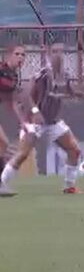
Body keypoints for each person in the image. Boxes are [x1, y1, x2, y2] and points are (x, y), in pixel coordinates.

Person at [1, 42, 84, 195]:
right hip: (35, 123)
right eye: (54, 51)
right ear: (48, 53)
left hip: (52, 122)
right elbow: (27, 94)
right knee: (21, 155)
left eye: (61, 51)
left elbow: (70, 91)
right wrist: (34, 112)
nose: (58, 54)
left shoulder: (64, 75)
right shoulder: (43, 74)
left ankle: (69, 186)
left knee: (74, 150)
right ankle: (2, 183)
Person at [0, 44, 41, 196]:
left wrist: (22, 122)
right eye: (17, 54)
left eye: (23, 55)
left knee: (3, 144)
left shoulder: (13, 76)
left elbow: (11, 102)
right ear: (8, 55)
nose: (21, 57)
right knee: (3, 143)